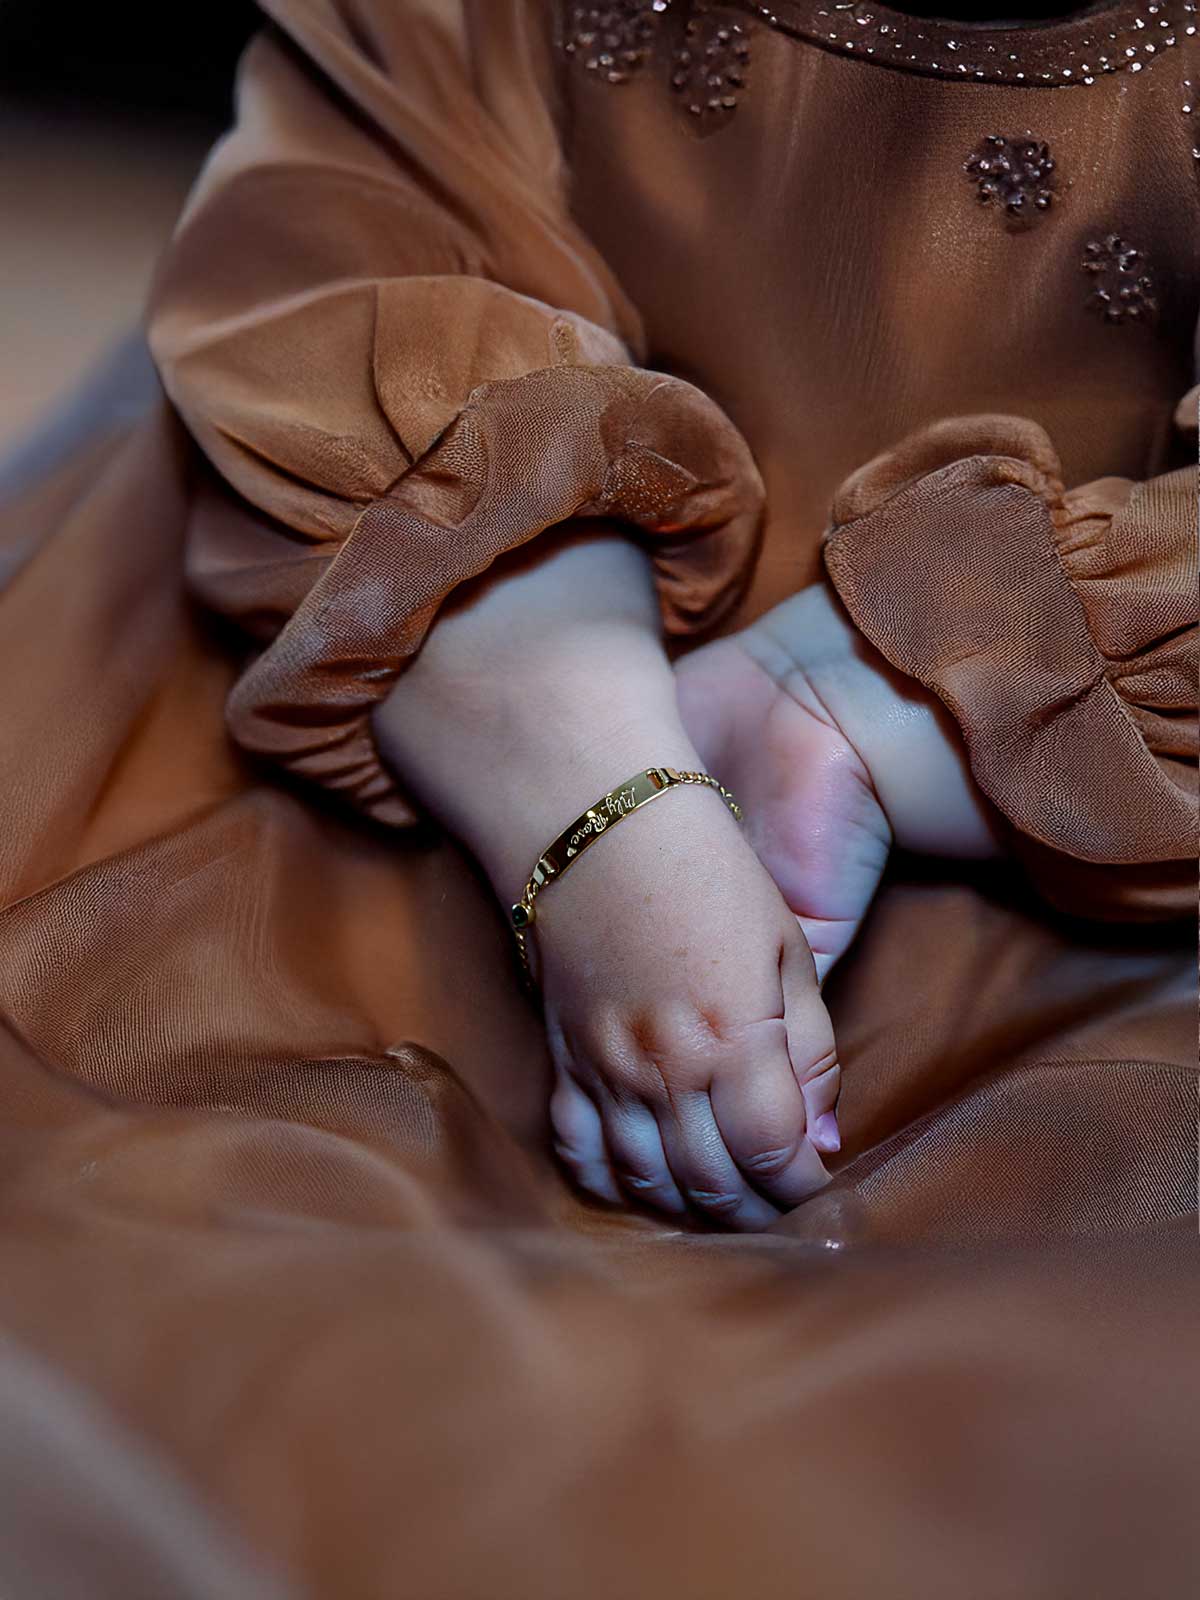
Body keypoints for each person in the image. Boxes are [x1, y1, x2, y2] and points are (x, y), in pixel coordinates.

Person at [0, 2, 1196, 1592]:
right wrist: (585, 768)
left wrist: (894, 690)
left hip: (1070, 880)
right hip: (412, 615)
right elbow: (365, 199)